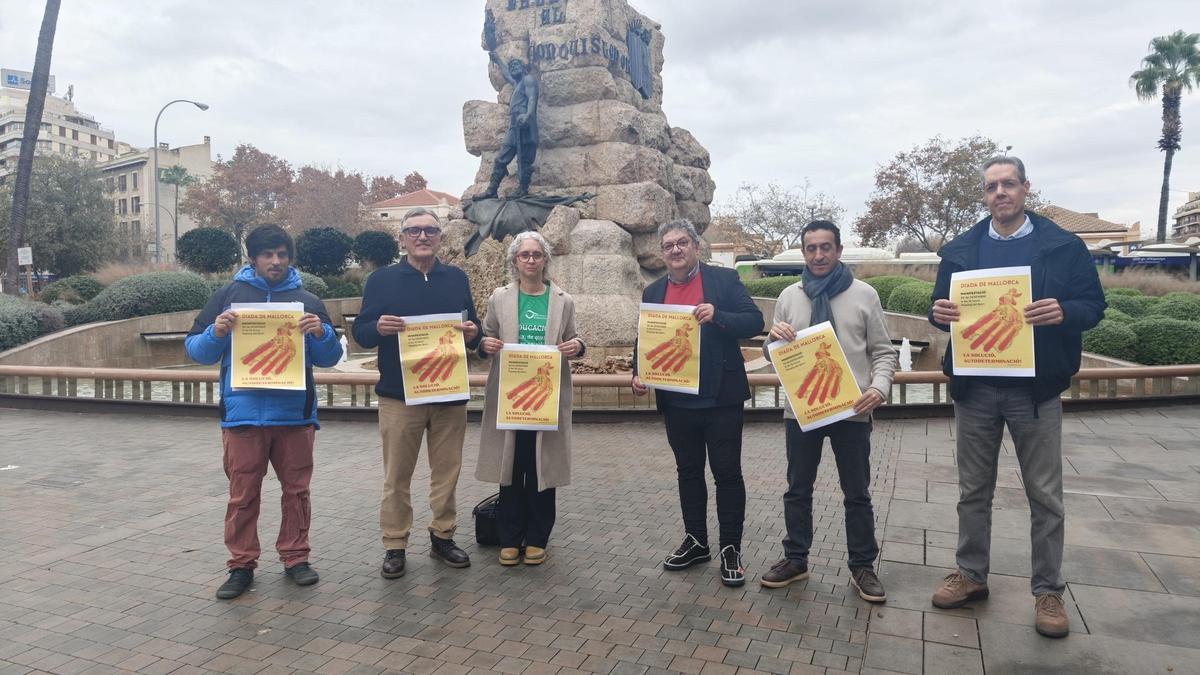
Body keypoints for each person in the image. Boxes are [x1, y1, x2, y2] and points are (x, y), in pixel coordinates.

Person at [928, 156, 1105, 638]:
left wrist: (1064, 311)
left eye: (1008, 184)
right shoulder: (962, 248)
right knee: (972, 491)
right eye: (991, 186)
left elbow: (1094, 306)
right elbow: (940, 310)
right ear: (984, 195)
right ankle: (970, 576)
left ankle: (1048, 591)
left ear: (1026, 188)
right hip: (976, 388)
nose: (1000, 192)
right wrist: (938, 312)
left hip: (1035, 390)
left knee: (1046, 496)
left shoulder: (1063, 246)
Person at [185, 223, 343, 600]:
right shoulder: (227, 296)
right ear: (253, 258)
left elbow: (331, 358)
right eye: (267, 255)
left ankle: (295, 558)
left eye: (281, 255)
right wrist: (216, 333)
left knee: (297, 492)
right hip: (243, 416)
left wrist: (320, 333)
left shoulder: (308, 300)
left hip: (294, 416)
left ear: (289, 259)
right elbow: (195, 350)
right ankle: (241, 565)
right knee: (242, 496)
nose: (275, 261)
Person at [758, 221, 896, 602]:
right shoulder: (789, 296)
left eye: (825, 247)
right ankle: (796, 559)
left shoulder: (864, 295)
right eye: (810, 248)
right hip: (803, 412)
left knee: (857, 493)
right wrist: (771, 341)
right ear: (803, 252)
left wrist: (878, 388)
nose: (818, 255)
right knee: (797, 489)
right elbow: (773, 358)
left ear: (838, 250)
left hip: (852, 409)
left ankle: (862, 565)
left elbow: (884, 352)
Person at [632, 219, 764, 587]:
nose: (676, 250)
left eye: (682, 243)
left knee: (727, 475)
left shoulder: (722, 282)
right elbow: (643, 340)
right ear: (663, 252)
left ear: (696, 246)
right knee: (688, 473)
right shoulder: (653, 291)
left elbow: (754, 320)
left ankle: (730, 548)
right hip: (677, 401)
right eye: (669, 245)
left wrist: (717, 315)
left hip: (720, 398)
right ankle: (696, 541)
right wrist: (637, 372)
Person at [352, 208, 482, 578]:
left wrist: (473, 333)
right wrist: (376, 326)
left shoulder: (456, 278)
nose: (422, 237)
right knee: (397, 475)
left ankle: (443, 535)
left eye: (430, 231)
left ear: (441, 237)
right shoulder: (381, 280)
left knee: (447, 473)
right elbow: (360, 333)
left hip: (448, 394)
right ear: (402, 239)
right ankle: (395, 543)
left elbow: (472, 326)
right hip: (399, 397)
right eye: (414, 231)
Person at [476, 231, 584, 566]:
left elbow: (574, 338)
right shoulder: (500, 297)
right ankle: (509, 537)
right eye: (525, 255)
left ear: (546, 260)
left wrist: (577, 347)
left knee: (541, 466)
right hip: (510, 393)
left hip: (546, 394)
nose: (531, 260)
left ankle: (537, 537)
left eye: (537, 255)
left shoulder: (562, 300)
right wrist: (485, 344)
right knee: (512, 465)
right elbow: (487, 334)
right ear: (514, 261)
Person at [478, 55, 539, 199]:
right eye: (511, 67)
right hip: (514, 126)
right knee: (501, 159)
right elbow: (506, 73)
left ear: (523, 67)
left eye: (516, 65)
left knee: (524, 162)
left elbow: (532, 98)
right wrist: (498, 59)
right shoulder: (516, 83)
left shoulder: (528, 80)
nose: (513, 68)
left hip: (525, 124)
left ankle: (523, 189)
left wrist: (528, 115)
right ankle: (492, 190)